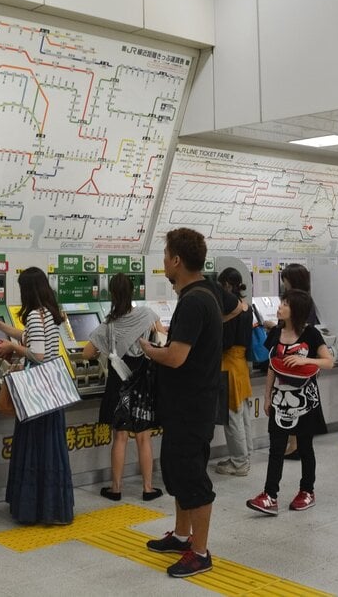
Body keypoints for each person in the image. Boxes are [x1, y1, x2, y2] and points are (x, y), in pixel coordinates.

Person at [139, 228, 223, 579]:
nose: (164, 264)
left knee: (192, 479)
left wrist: (147, 349)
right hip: (189, 405)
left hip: (191, 408)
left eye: (165, 257)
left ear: (176, 260)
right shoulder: (207, 294)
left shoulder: (193, 301)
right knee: (178, 472)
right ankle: (181, 534)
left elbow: (175, 357)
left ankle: (199, 553)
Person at [0, 267, 75, 526]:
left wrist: (12, 347)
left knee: (35, 449)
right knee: (50, 450)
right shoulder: (48, 314)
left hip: (37, 395)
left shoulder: (35, 315)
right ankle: (52, 507)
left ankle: (34, 508)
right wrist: (1, 325)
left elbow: (38, 356)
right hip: (51, 394)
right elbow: (30, 339)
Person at [246, 289, 333, 516]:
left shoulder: (311, 334)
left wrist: (306, 359)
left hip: (306, 402)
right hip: (279, 401)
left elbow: (328, 362)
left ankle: (307, 491)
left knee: (305, 447)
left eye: (284, 303)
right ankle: (269, 495)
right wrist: (266, 397)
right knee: (276, 448)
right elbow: (272, 368)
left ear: (296, 309)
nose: (279, 306)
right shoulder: (275, 332)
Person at [83, 272, 163, 501]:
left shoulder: (108, 325)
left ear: (112, 295)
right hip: (143, 383)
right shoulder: (147, 315)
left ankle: (116, 488)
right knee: (143, 437)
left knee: (119, 437)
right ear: (133, 292)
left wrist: (105, 348)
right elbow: (162, 335)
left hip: (119, 384)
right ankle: (148, 488)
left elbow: (88, 352)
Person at [263, 263, 316, 460]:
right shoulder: (307, 300)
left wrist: (273, 327)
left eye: (285, 281)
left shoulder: (297, 302)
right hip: (300, 362)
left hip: (292, 363)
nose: (283, 285)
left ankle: (294, 446)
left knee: (293, 401)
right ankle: (296, 445)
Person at [215, 268, 254, 477]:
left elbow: (225, 343)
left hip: (228, 365)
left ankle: (239, 463)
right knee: (243, 414)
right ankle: (245, 455)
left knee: (232, 417)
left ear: (227, 285)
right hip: (241, 366)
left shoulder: (230, 312)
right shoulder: (248, 308)